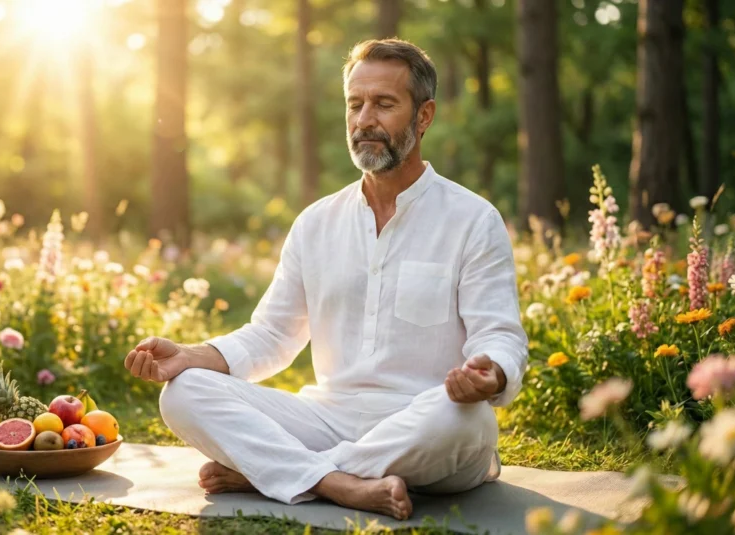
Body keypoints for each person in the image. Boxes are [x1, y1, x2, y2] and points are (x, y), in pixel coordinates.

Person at [123, 38, 527, 521]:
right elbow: (272, 334)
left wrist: (492, 373)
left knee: (470, 423)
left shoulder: (472, 219)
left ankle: (279, 473)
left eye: (384, 104)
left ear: (424, 117)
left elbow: (500, 336)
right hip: (326, 419)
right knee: (184, 392)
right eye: (355, 105)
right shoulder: (315, 223)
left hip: (425, 420)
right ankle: (340, 483)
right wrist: (191, 357)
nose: (364, 120)